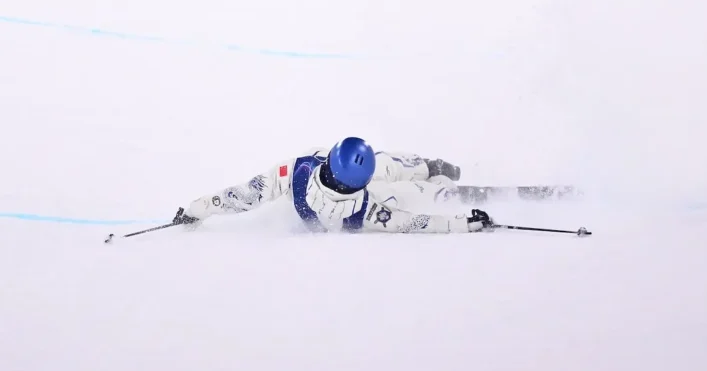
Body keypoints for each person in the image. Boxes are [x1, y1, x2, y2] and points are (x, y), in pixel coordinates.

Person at [172, 137, 493, 234]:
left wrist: (197, 209)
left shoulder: (294, 171)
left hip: (332, 178)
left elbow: (243, 196)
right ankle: (436, 183)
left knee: (384, 166)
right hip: (367, 193)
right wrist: (461, 223)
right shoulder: (365, 209)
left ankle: (430, 173)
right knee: (400, 186)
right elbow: (411, 221)